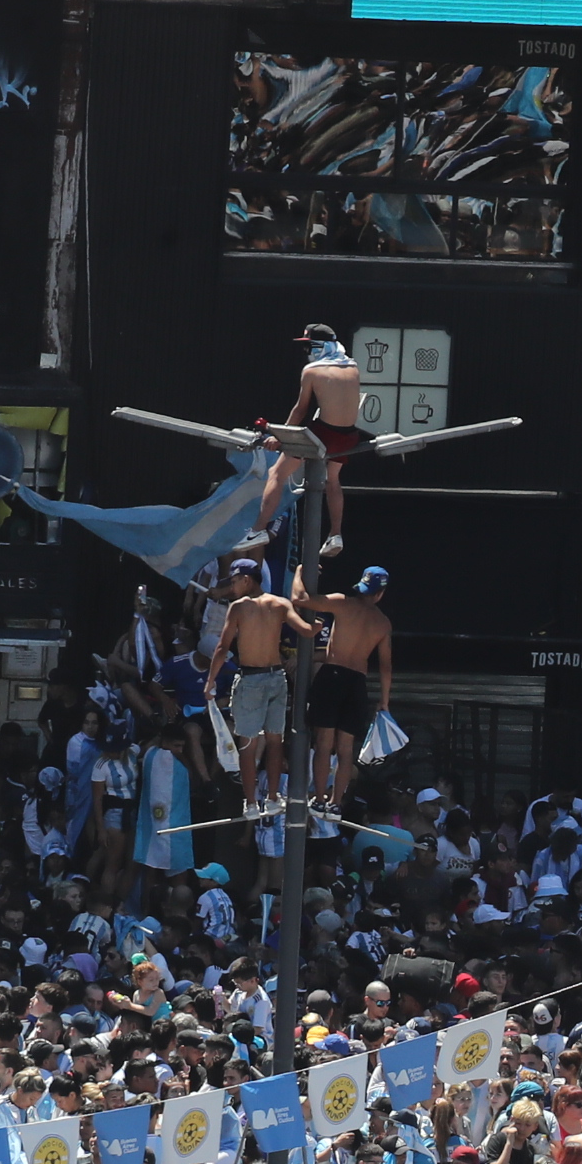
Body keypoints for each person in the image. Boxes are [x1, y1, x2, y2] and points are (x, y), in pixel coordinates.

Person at [201, 559, 318, 821]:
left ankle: (252, 802)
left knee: (248, 744)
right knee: (276, 741)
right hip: (277, 678)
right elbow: (306, 631)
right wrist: (318, 627)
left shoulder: (239, 607)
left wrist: (210, 681)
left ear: (246, 579)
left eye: (233, 581)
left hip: (252, 680)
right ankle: (273, 798)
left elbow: (222, 647)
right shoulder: (280, 603)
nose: (232, 587)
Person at [238, 325, 367, 561]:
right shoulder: (353, 366)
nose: (307, 351)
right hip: (349, 436)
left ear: (319, 347)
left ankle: (258, 530)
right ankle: (335, 534)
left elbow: (300, 409)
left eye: (308, 346)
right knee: (333, 480)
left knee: (277, 472)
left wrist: (280, 437)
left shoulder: (311, 371)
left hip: (324, 435)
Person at [297, 563, 392, 823]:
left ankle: (318, 799)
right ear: (380, 594)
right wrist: (384, 700)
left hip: (333, 675)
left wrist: (298, 574)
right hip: (357, 682)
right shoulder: (383, 623)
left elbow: (300, 599)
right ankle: (336, 803)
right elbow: (385, 666)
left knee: (324, 744)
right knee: (346, 748)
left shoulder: (343, 603)